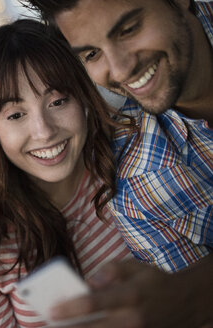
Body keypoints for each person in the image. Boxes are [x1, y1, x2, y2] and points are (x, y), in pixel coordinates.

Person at [22, 0, 213, 326]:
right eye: (92, 54)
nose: (121, 69)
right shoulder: (138, 188)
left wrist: (196, 290)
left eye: (128, 29)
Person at [0, 19, 137, 327]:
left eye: (57, 101)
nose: (43, 132)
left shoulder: (133, 158)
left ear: (83, 98)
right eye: (16, 115)